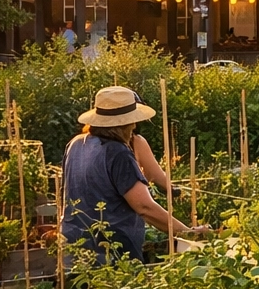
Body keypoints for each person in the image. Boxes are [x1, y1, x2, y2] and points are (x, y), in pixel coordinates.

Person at [60, 87, 207, 263]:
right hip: (112, 253)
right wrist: (188, 234)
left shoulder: (75, 144)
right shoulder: (117, 152)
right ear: (129, 123)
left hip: (73, 248)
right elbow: (144, 207)